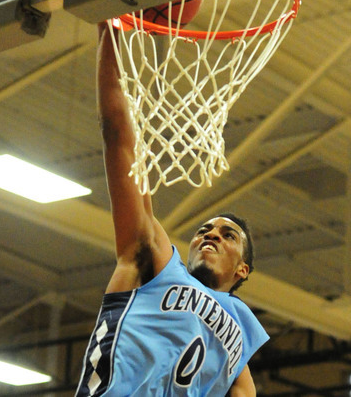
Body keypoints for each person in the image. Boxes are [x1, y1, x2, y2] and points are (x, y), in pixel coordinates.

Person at [75, 22, 269, 396]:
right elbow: (117, 134)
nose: (211, 234)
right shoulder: (156, 262)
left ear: (242, 270)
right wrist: (111, 25)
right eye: (205, 230)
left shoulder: (240, 322)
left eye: (228, 235)